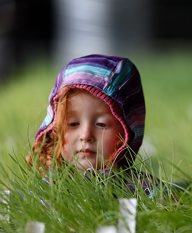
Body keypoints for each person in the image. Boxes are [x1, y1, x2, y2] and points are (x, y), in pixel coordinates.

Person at [26, 54, 153, 193]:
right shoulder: (45, 192)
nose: (86, 135)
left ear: (128, 130)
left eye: (101, 124)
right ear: (54, 130)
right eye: (73, 124)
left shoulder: (140, 191)